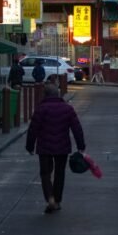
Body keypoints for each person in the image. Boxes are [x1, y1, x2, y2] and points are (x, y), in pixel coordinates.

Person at [26, 74, 86, 214]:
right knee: (60, 173)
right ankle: (57, 200)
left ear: (45, 95)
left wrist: (29, 146)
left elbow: (33, 129)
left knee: (45, 173)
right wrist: (81, 145)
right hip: (62, 146)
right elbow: (76, 128)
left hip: (44, 146)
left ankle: (50, 198)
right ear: (58, 94)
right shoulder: (67, 109)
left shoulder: (41, 109)